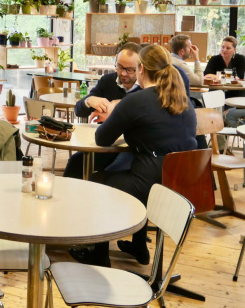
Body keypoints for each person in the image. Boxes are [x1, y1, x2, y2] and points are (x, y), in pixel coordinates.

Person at [70, 44, 198, 267]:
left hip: (153, 183)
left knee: (97, 181)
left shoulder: (137, 101)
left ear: (141, 69)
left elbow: (102, 139)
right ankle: (139, 245)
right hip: (184, 182)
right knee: (123, 173)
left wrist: (114, 115)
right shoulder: (182, 100)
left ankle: (99, 255)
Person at [63, 43, 141, 178]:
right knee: (75, 162)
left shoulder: (146, 87)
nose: (123, 73)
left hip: (132, 149)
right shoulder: (107, 81)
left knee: (111, 172)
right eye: (120, 67)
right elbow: (79, 111)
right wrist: (89, 100)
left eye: (130, 70)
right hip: (105, 144)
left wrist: (114, 113)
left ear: (140, 68)